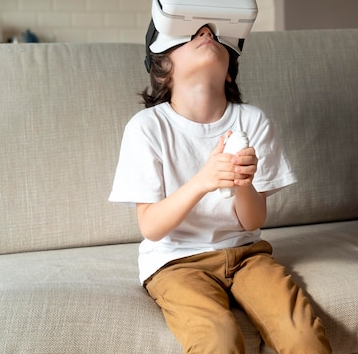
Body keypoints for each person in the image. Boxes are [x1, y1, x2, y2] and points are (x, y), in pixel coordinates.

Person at [109, 23, 331, 354]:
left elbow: (253, 221)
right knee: (217, 338)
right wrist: (203, 180)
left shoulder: (252, 122)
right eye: (192, 33)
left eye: (214, 34)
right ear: (162, 70)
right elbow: (151, 227)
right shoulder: (147, 128)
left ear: (229, 73)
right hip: (176, 262)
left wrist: (243, 183)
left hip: (247, 256)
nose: (207, 34)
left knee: (303, 335)